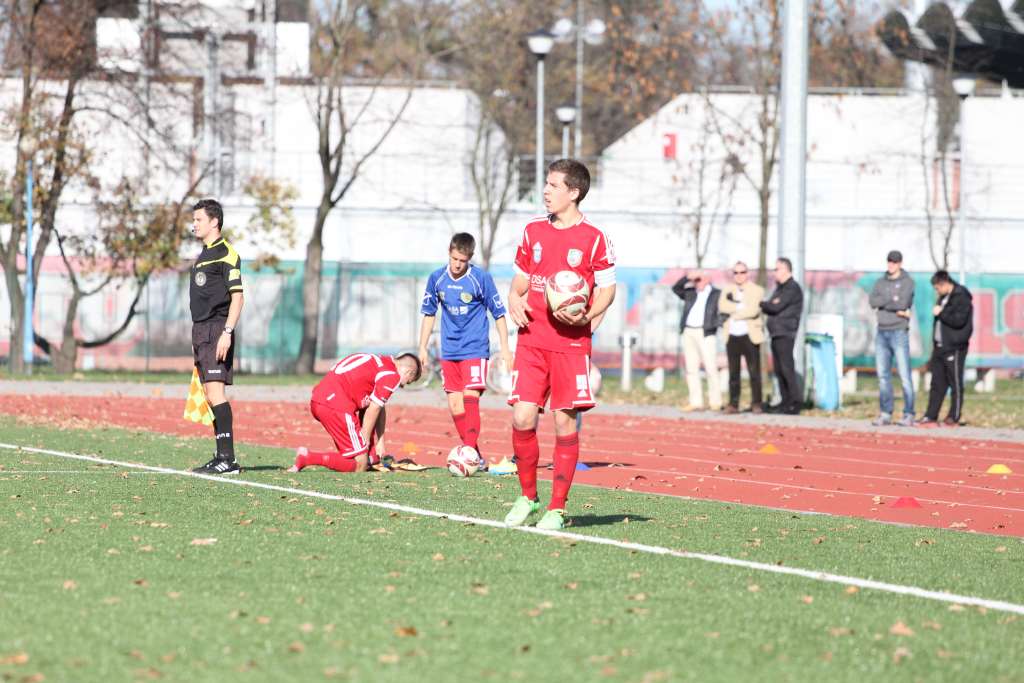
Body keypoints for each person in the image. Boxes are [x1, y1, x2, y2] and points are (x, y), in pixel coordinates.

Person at [504, 158, 616, 530]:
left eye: (553, 186)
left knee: (564, 423)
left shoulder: (594, 238)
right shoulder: (533, 231)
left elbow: (608, 289)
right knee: (522, 416)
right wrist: (515, 301)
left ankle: (556, 508)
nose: (546, 192)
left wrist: (586, 316)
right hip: (532, 340)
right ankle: (527, 497)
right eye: (546, 185)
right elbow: (518, 284)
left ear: (574, 192)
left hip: (570, 346)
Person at [418, 233, 513, 469]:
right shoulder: (436, 279)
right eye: (454, 259)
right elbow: (429, 314)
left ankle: (467, 452)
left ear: (470, 257)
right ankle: (475, 457)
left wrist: (505, 349)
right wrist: (421, 347)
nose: (457, 264)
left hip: (475, 347)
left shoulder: (481, 279)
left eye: (462, 260)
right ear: (449, 253)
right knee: (454, 405)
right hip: (449, 349)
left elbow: (499, 314)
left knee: (471, 398)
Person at [289, 352, 422, 472]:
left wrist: (380, 442)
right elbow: (374, 408)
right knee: (360, 463)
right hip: (336, 406)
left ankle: (371, 457)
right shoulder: (392, 375)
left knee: (366, 457)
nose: (403, 385)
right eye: (408, 382)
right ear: (409, 372)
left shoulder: (378, 361)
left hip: (320, 400)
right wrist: (365, 438)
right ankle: (308, 458)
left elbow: (378, 406)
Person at [189, 199, 245, 475]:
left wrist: (227, 332)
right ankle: (221, 455)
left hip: (217, 328)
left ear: (214, 222)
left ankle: (228, 459)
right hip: (201, 331)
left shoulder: (226, 253)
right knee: (210, 396)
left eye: (199, 219)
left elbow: (238, 297)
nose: (194, 224)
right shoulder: (204, 253)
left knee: (216, 393)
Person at [919, 271, 973, 427]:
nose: (937, 291)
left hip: (954, 347)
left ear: (944, 283)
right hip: (940, 347)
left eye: (937, 288)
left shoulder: (961, 296)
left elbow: (959, 321)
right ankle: (931, 415)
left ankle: (954, 416)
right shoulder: (943, 298)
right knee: (937, 383)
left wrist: (941, 313)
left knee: (955, 382)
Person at [868, 250, 916, 426]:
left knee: (904, 375)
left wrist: (886, 302)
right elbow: (873, 301)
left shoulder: (907, 282)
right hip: (882, 331)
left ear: (900, 263)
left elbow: (903, 303)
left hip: (899, 332)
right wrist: (892, 302)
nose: (891, 265)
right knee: (882, 376)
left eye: (894, 262)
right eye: (889, 261)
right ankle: (886, 413)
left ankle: (909, 413)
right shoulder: (880, 282)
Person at [671, 269, 723, 412]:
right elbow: (675, 288)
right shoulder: (690, 292)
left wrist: (715, 325)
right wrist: (688, 277)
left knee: (710, 367)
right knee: (691, 369)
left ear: (707, 279)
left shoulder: (716, 294)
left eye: (699, 279)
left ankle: (716, 401)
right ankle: (696, 402)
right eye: (695, 280)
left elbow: (723, 311)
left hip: (705, 332)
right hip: (689, 331)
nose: (696, 283)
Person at [718, 261, 765, 413]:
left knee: (754, 372)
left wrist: (735, 313)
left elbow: (753, 310)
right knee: (733, 372)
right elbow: (722, 306)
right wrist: (740, 308)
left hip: (750, 336)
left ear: (748, 273)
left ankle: (756, 403)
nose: (739, 275)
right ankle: (733, 403)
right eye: (736, 272)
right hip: (731, 335)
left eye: (742, 272)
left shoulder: (757, 290)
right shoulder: (727, 289)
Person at [760, 257, 804, 415]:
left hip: (785, 332)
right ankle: (785, 402)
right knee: (779, 370)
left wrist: (762, 304)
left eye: (777, 269)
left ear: (786, 269)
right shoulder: (780, 288)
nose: (774, 272)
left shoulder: (792, 288)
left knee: (787, 368)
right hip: (776, 333)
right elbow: (772, 304)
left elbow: (774, 306)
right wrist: (769, 305)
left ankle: (795, 402)